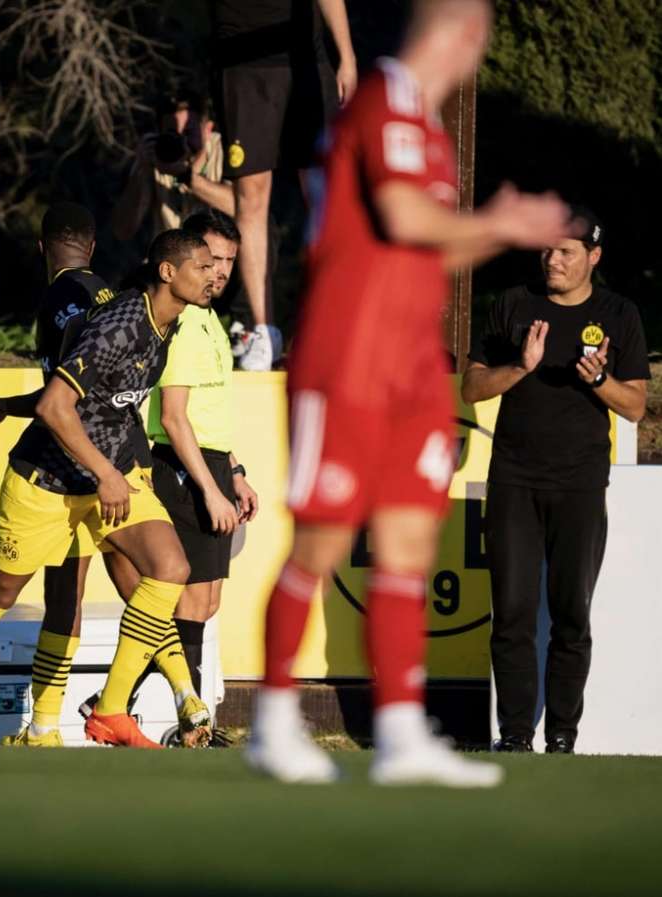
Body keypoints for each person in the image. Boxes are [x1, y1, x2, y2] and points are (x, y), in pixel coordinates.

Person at [246, 0, 577, 786]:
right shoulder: (384, 97)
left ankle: (398, 733)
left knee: (405, 551)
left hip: (411, 367)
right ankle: (272, 720)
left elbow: (425, 234)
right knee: (323, 541)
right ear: (464, 34)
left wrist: (493, 226)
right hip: (348, 357)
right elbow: (400, 215)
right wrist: (502, 223)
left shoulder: (426, 127)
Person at [0, 229, 215, 748]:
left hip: (108, 477)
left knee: (171, 568)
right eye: (203, 266)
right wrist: (104, 473)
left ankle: (111, 710)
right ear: (168, 272)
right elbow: (56, 405)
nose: (214, 275)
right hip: (48, 481)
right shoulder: (121, 325)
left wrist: (106, 469)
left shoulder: (169, 325)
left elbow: (92, 395)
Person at [462, 210, 649, 754]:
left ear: (593, 257)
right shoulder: (513, 305)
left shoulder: (619, 313)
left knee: (571, 614)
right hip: (514, 480)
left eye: (566, 252)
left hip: (580, 484)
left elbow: (635, 406)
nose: (553, 260)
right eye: (547, 250)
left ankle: (563, 736)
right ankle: (516, 734)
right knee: (513, 613)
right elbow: (471, 389)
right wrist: (520, 367)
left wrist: (600, 380)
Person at [211, 0, 357, 370]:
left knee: (323, 195)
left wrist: (347, 56)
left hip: (304, 61)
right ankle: (263, 329)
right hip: (241, 61)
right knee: (252, 196)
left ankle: (340, 322)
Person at [149, 209, 258, 703]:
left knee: (206, 601)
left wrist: (233, 472)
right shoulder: (184, 320)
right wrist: (210, 490)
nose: (219, 271)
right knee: (189, 601)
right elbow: (174, 418)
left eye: (229, 261)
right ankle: (187, 719)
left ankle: (120, 699)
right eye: (211, 259)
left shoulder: (212, 320)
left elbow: (209, 413)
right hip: (181, 467)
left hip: (212, 464)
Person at [111, 91, 234, 247]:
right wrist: (142, 171)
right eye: (172, 133)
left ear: (208, 129)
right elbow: (122, 230)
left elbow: (240, 208)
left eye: (189, 132)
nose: (181, 139)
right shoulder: (155, 154)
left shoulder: (223, 150)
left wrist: (185, 176)